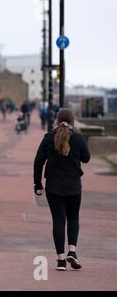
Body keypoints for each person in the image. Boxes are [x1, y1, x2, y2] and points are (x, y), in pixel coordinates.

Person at [33, 108, 90, 271]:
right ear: (72, 121)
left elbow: (38, 162)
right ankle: (72, 251)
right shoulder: (78, 138)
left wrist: (37, 184)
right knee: (73, 218)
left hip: (54, 186)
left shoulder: (48, 138)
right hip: (73, 186)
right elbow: (86, 158)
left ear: (57, 121)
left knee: (59, 220)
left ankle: (61, 260)